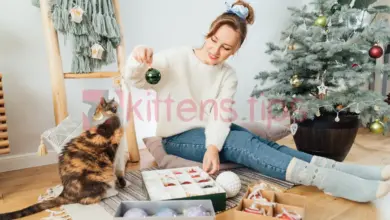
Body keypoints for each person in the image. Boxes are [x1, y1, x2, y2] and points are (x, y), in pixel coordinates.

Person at [123, 0, 390, 203]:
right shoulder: (175, 57)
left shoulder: (227, 75)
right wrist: (137, 59)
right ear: (208, 34)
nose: (216, 50)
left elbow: (220, 116)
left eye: (226, 48)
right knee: (242, 144)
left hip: (207, 133)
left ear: (236, 49)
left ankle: (353, 172)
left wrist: (213, 146)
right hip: (177, 138)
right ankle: (330, 181)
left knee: (258, 141)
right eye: (214, 40)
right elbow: (137, 79)